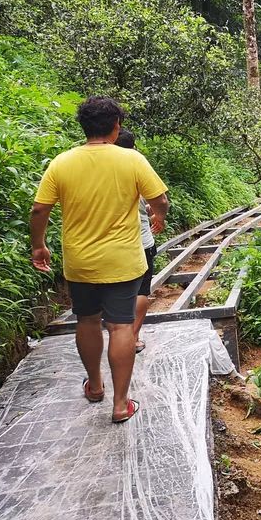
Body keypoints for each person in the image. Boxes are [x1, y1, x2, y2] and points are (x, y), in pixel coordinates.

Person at [29, 96, 169, 423]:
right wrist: (158, 215)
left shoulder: (61, 162)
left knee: (88, 321)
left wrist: (39, 245)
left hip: (80, 262)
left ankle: (94, 385)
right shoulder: (131, 160)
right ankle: (121, 405)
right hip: (123, 261)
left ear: (84, 126)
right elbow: (159, 199)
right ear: (116, 127)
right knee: (120, 326)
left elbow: (39, 209)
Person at [115, 127, 156, 354]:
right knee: (141, 291)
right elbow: (157, 200)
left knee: (119, 293)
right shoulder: (137, 166)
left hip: (113, 244)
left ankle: (119, 338)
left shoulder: (106, 171)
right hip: (142, 240)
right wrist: (158, 215)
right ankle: (134, 337)